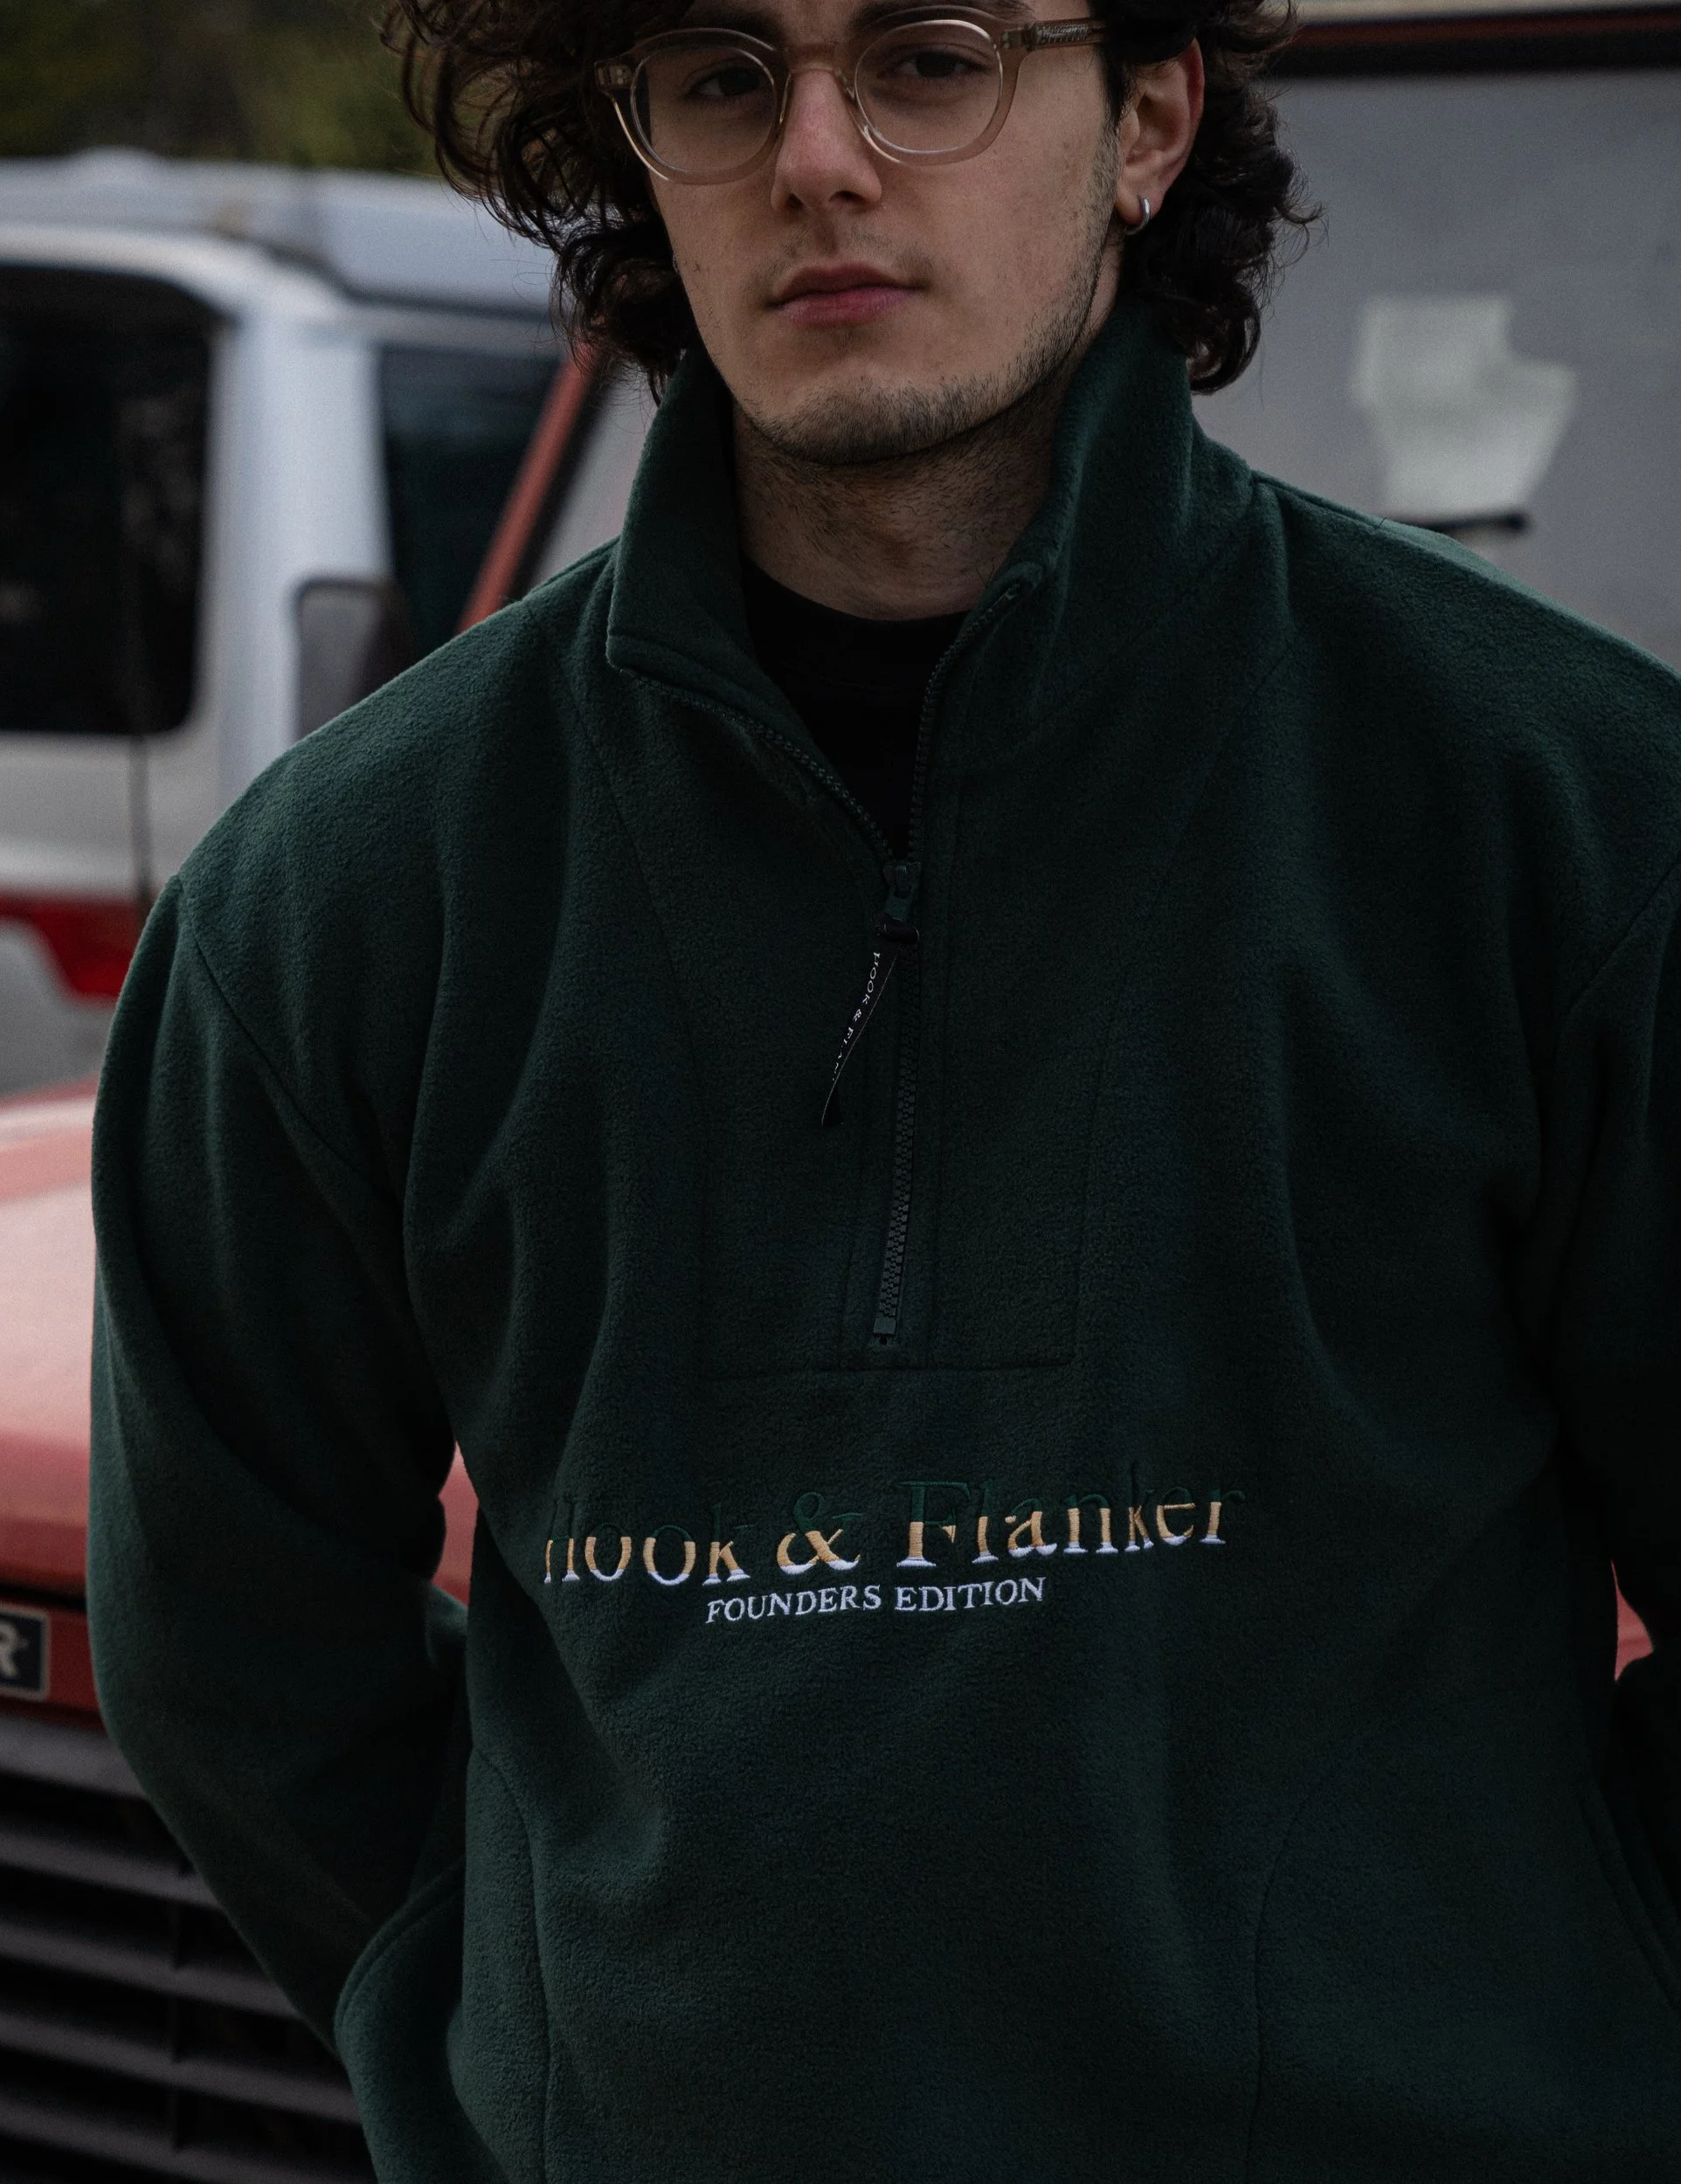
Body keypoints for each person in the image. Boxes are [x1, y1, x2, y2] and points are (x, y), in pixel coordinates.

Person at [88, 0, 1681, 2172]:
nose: (817, 156)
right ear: (636, 149)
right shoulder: (343, 891)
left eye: (925, 56)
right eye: (724, 75)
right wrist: (542, 2046)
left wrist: (1556, 2014)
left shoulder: (1565, 817)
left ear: (1140, 118)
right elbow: (228, 1654)